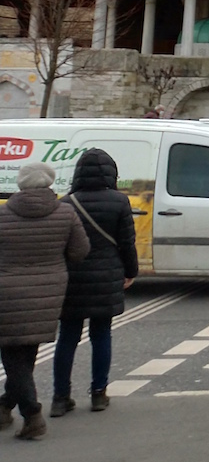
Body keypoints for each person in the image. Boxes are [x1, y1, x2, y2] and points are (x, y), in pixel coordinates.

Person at [0, 163, 89, 440]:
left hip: (7, 292)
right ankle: (4, 407)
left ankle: (33, 415)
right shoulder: (65, 213)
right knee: (26, 351)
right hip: (50, 290)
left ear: (20, 184)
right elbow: (80, 251)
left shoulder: (3, 214)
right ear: (49, 183)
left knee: (12, 353)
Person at [52, 150, 138, 418]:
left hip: (73, 278)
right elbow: (127, 242)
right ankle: (99, 393)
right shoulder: (119, 202)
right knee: (101, 335)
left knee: (67, 337)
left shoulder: (67, 203)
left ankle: (60, 397)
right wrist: (130, 271)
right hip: (107, 275)